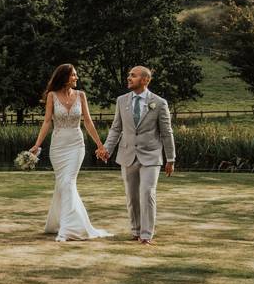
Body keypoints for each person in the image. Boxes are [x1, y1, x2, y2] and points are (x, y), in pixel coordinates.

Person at [29, 64, 111, 242]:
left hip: (76, 144)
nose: (76, 78)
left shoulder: (81, 95)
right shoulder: (52, 96)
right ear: (64, 77)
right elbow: (47, 122)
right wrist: (37, 145)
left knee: (68, 182)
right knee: (63, 184)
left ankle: (69, 229)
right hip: (58, 146)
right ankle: (59, 223)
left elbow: (88, 122)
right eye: (73, 75)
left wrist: (100, 145)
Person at [101, 66, 176, 245]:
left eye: (133, 76)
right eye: (129, 75)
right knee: (132, 196)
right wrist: (107, 149)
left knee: (147, 193)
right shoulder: (121, 100)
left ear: (145, 80)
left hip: (151, 156)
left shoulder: (159, 103)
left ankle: (146, 234)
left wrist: (170, 158)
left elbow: (166, 132)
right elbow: (116, 129)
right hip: (127, 154)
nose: (129, 78)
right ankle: (135, 230)